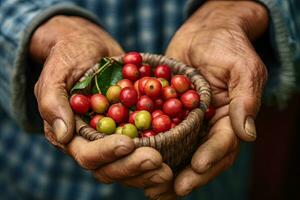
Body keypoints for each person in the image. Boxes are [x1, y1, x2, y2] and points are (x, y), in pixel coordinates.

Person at [0, 0, 298, 199]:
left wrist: (234, 9)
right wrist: (46, 28)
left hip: (209, 179)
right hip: (41, 178)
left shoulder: (163, 99)